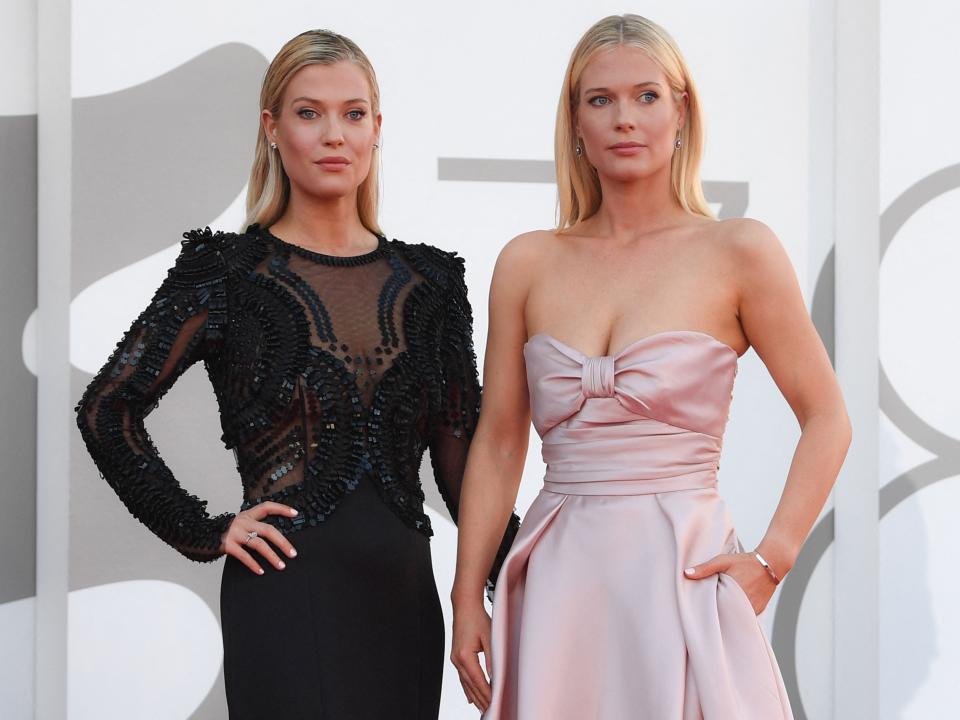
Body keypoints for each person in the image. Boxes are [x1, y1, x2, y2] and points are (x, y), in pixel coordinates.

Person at [75, 29, 520, 719]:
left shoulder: (431, 283)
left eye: (354, 113)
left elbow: (465, 472)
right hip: (283, 596)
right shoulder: (225, 274)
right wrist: (205, 527)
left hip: (403, 604)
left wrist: (532, 574)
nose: (334, 134)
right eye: (309, 112)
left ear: (377, 128)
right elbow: (107, 409)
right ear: (273, 129)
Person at [449, 14, 850, 719]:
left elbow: (828, 417)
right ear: (574, 122)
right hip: (557, 581)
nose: (624, 119)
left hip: (680, 577)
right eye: (599, 100)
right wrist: (466, 597)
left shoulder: (739, 250)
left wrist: (772, 558)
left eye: (646, 97)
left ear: (681, 111)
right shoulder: (527, 261)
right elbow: (502, 440)